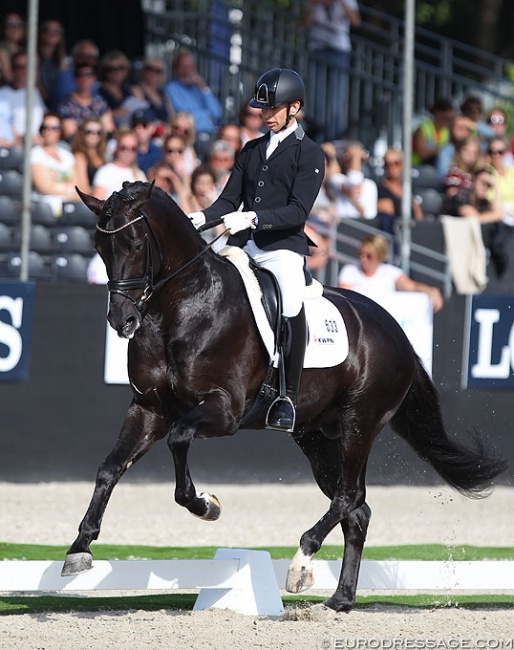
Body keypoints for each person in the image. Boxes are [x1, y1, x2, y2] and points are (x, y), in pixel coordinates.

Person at [188, 68, 325, 432]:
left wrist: (251, 219)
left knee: (291, 304)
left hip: (281, 247)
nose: (264, 115)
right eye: (261, 109)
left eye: (273, 108)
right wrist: (196, 218)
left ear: (294, 107)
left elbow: (298, 211)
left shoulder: (309, 153)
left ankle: (288, 397)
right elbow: (226, 202)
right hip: (243, 246)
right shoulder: (250, 150)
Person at [338, 234, 443, 312]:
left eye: (369, 256)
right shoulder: (349, 271)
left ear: (379, 256)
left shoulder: (391, 272)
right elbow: (344, 298)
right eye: (360, 254)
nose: (363, 259)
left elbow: (411, 286)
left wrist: (431, 291)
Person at [303, 0, 361, 141]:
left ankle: (334, 139)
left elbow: (356, 21)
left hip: (339, 50)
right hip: (317, 48)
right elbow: (304, 23)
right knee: (317, 99)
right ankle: (316, 139)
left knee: (336, 100)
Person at [443, 167, 511, 278]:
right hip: (448, 247)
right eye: (482, 183)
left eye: (488, 185)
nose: (485, 187)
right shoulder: (461, 196)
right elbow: (475, 218)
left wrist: (496, 187)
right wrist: (500, 213)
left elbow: (497, 212)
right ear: (473, 181)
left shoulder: (484, 203)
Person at [164, 49, 222, 159]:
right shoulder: (172, 88)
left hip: (209, 134)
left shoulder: (199, 89)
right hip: (189, 135)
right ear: (176, 68)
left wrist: (203, 88)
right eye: (183, 66)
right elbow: (184, 114)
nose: (187, 70)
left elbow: (217, 112)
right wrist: (205, 116)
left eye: (190, 66)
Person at [30, 113, 81, 216]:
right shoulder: (35, 153)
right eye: (45, 127)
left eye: (55, 128)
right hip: (46, 203)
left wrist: (70, 195)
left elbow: (77, 186)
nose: (49, 131)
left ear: (60, 131)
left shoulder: (67, 156)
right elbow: (42, 187)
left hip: (68, 201)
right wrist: (68, 193)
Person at [58, 62, 115, 143]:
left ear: (94, 78)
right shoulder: (66, 104)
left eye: (88, 74)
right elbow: (70, 134)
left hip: (100, 146)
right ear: (75, 79)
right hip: (75, 148)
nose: (84, 78)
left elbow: (109, 130)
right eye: (80, 75)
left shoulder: (100, 102)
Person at [0, 50, 46, 144]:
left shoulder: (34, 91)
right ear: (12, 69)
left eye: (27, 66)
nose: (23, 70)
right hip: (18, 146)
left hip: (40, 142)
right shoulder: (3, 95)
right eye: (18, 67)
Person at [325, 140, 377, 220]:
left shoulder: (370, 185)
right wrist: (331, 155)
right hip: (340, 224)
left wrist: (354, 200)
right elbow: (353, 182)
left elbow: (369, 215)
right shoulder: (337, 179)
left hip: (362, 226)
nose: (351, 161)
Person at [91, 127, 146, 200]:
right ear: (116, 147)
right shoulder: (105, 172)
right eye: (124, 148)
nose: (128, 152)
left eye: (133, 149)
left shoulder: (139, 174)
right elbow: (98, 202)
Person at [377, 148, 424, 234]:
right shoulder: (381, 189)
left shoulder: (407, 188)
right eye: (388, 164)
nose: (392, 167)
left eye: (396, 163)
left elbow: (419, 217)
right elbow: (389, 221)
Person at [49, 39, 99, 110]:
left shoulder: (95, 79)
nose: (87, 59)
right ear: (74, 56)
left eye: (91, 57)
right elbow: (65, 100)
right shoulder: (64, 77)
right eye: (83, 55)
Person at [97, 50, 140, 127]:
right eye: (111, 69)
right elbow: (93, 115)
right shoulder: (99, 91)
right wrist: (114, 113)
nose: (116, 72)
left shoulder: (128, 89)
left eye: (121, 68)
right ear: (104, 71)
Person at [130, 56, 174, 126]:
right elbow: (140, 114)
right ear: (143, 70)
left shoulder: (161, 93)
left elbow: (171, 115)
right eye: (150, 69)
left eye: (157, 71)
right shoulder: (137, 89)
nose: (153, 73)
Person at [442, 135, 483, 208]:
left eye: (474, 152)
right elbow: (452, 194)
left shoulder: (475, 174)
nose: (470, 155)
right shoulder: (454, 172)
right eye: (466, 150)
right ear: (459, 151)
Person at [412, 97, 454, 167]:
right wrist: (440, 150)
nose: (448, 121)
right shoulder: (423, 128)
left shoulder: (446, 131)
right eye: (446, 117)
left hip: (435, 165)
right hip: (418, 166)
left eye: (450, 119)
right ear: (437, 113)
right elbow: (422, 154)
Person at [71, 117, 108, 192]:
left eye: (98, 132)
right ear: (81, 133)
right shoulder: (79, 156)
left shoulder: (103, 155)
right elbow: (83, 187)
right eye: (89, 132)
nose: (93, 135)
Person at [436, 114, 476, 181]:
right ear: (452, 130)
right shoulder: (447, 150)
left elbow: (492, 133)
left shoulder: (474, 146)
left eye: (465, 128)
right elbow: (442, 176)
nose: (462, 131)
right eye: (459, 128)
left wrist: (473, 125)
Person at [37, 19, 67, 105]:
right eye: (48, 31)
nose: (52, 34)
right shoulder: (35, 57)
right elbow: (36, 83)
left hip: (60, 102)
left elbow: (64, 82)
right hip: (40, 101)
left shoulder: (65, 59)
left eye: (56, 32)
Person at [486, 136, 514, 217]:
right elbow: (490, 202)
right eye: (492, 151)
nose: (496, 155)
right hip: (500, 218)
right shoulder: (486, 172)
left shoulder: (511, 170)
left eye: (500, 152)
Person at [131, 107, 162, 173]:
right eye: (135, 125)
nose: (138, 129)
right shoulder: (125, 151)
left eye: (144, 125)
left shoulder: (159, 153)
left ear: (153, 128)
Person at [0, 12, 26, 86]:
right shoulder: (1, 49)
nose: (15, 28)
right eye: (10, 24)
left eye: (18, 24)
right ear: (3, 28)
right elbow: (10, 79)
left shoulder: (25, 49)